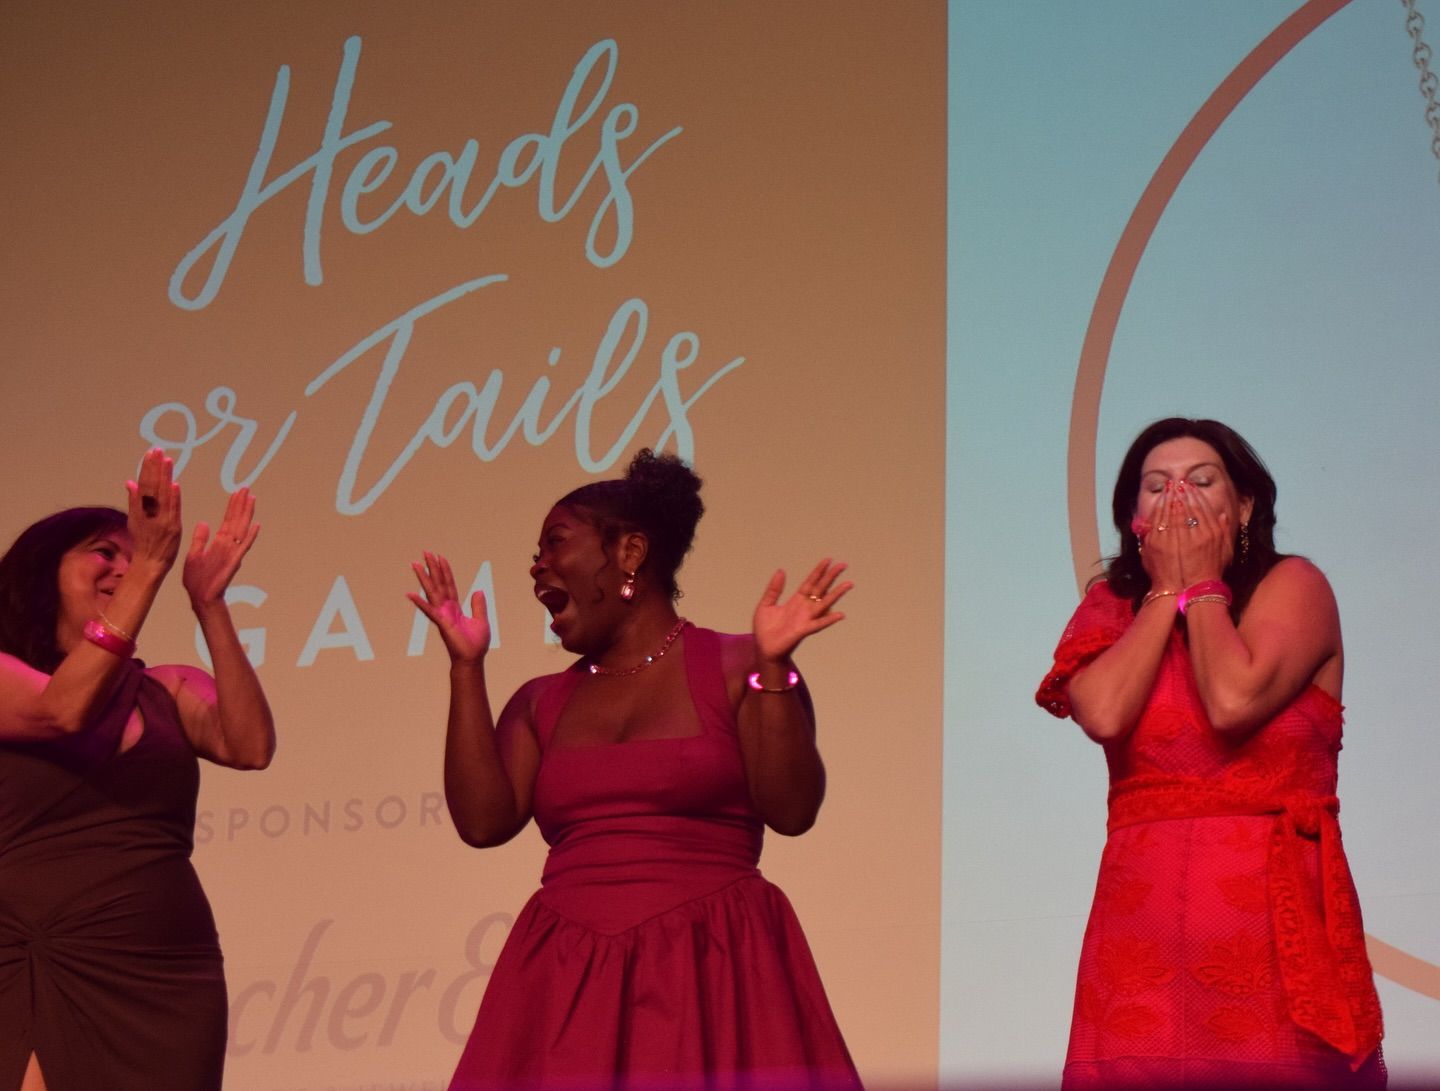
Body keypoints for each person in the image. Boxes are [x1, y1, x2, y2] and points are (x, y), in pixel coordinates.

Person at [409, 449, 861, 1091]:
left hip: (714, 959)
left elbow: (792, 810)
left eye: (555, 542)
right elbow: (483, 823)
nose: (536, 565)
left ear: (630, 553)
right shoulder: (541, 701)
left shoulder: (741, 666)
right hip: (568, 973)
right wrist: (465, 667)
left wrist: (774, 669)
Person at [1035, 418, 1385, 1089]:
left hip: (1269, 924)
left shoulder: (1295, 585)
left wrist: (1203, 588)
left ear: (1243, 506)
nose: (1179, 498)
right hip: (1141, 934)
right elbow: (1103, 713)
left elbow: (1231, 700)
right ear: (1135, 520)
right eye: (1157, 486)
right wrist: (1166, 593)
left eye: (1201, 481)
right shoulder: (1112, 608)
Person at [0, 449, 275, 1091]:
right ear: (42, 572)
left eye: (134, 555)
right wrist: (152, 563)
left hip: (165, 973)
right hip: (32, 958)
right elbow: (62, 711)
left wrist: (210, 604)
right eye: (105, 552)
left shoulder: (166, 686)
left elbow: (249, 745)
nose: (125, 567)